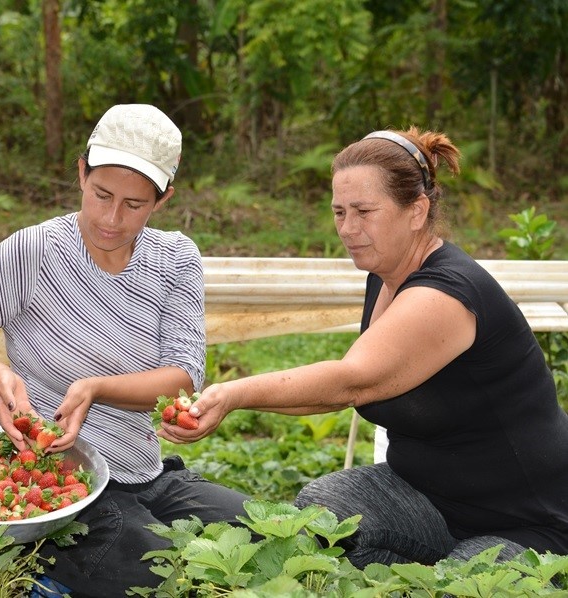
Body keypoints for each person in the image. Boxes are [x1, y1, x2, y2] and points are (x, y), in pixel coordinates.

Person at [160, 127, 568, 567]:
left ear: (417, 211)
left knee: (462, 582)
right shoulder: (385, 275)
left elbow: (352, 382)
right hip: (431, 498)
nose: (348, 229)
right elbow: (344, 390)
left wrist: (234, 394)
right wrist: (231, 399)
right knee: (324, 511)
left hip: (525, 519)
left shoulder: (447, 294)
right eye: (339, 212)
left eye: (364, 212)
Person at [0, 104, 252, 596]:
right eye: (101, 194)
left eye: (134, 204)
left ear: (163, 200)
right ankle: (42, 571)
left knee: (259, 534)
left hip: (147, 474)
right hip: (59, 480)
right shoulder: (33, 252)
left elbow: (183, 375)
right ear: (81, 173)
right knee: (165, 575)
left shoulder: (176, 259)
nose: (111, 218)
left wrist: (95, 388)